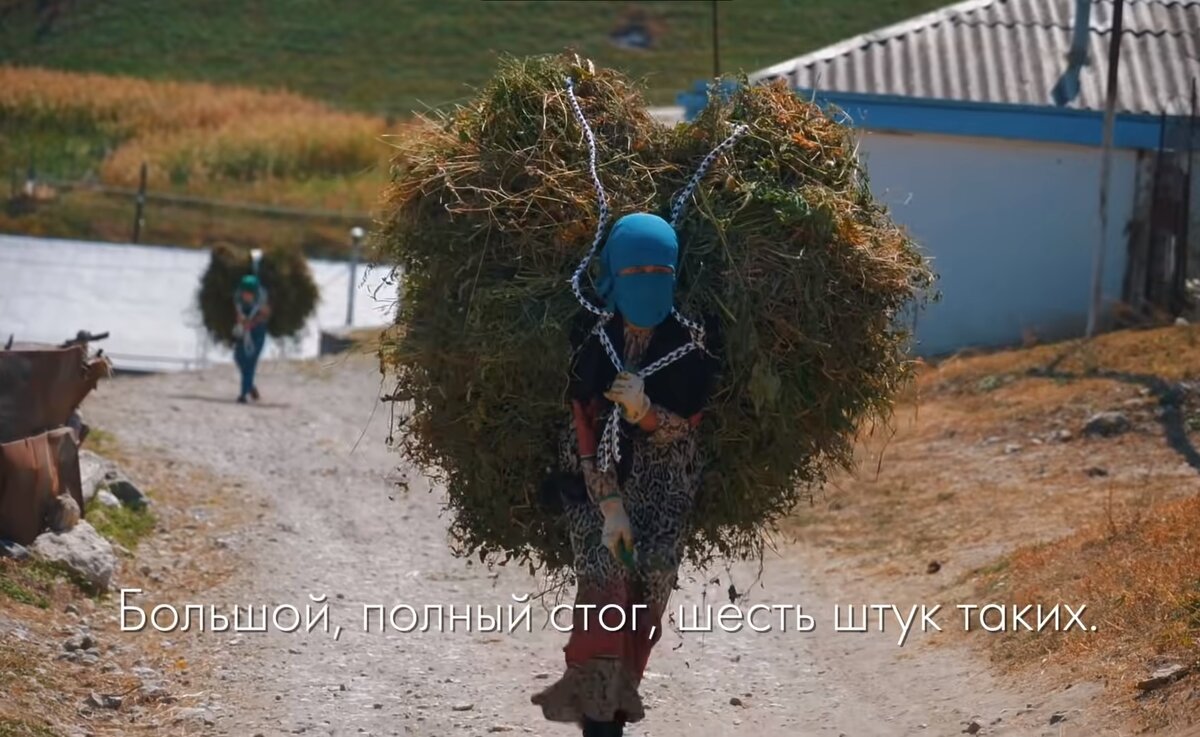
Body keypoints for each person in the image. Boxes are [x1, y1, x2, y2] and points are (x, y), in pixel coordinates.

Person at [532, 213, 720, 737]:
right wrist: (609, 504)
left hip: (665, 486)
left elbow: (691, 425)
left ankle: (616, 700)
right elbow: (580, 426)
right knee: (604, 584)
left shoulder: (694, 340)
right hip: (596, 485)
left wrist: (646, 415)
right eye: (634, 271)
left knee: (648, 588)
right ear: (612, 273)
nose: (647, 282)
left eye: (658, 271)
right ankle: (599, 719)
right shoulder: (591, 337)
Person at [232, 274, 270, 404]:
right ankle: (250, 386)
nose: (246, 296)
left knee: (250, 362)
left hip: (258, 334)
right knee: (238, 357)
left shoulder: (262, 300)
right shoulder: (238, 298)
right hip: (244, 334)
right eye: (245, 293)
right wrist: (241, 320)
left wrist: (252, 323)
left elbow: (264, 315)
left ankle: (243, 394)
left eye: (249, 293)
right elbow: (238, 312)